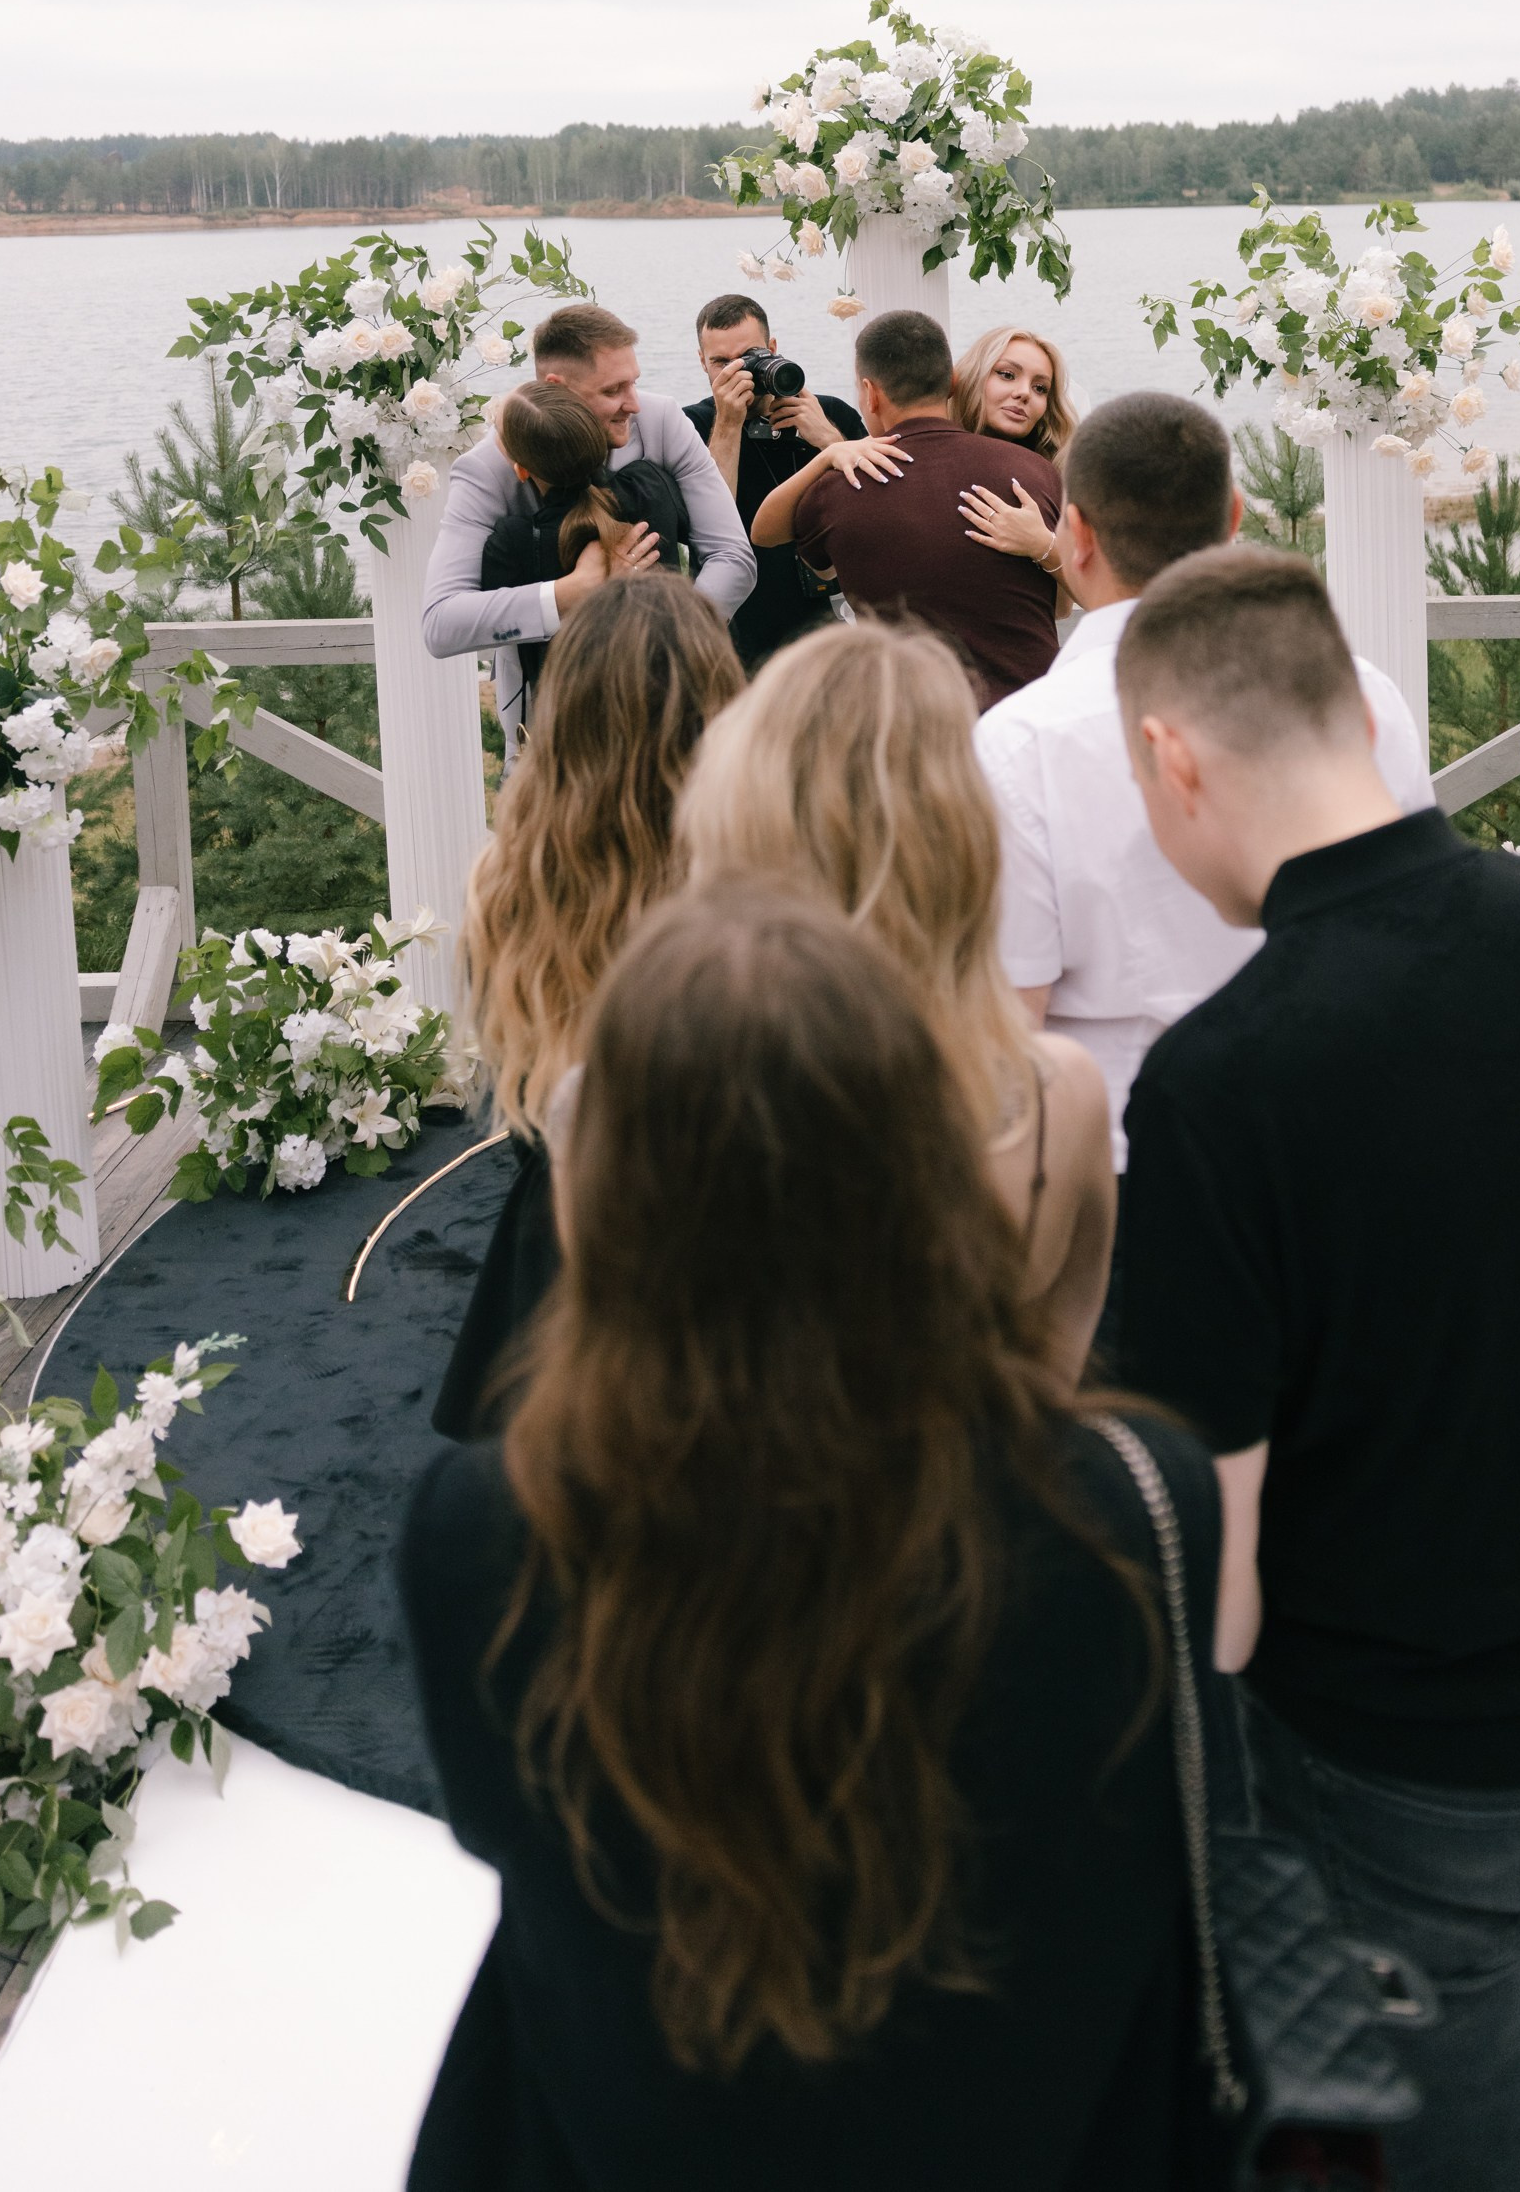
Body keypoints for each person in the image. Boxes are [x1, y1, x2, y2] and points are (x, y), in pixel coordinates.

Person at [1108, 546, 1520, 2192]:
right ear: (1353, 709)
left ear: (1171, 760)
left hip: (1418, 1776)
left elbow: (1224, 1584)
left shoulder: (1217, 1085)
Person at [401, 888, 1219, 2192]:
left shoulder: (484, 1527)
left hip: (641, 2134)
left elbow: (504, 1831)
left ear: (609, 1184)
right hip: (1038, 2134)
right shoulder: (1132, 1497)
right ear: (924, 1162)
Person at [975, 392, 1434, 1153]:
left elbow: (1009, 1025)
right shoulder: (1360, 696)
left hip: (1126, 1156)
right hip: (1337, 1133)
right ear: (1233, 517)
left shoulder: (1019, 740)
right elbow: (1409, 921)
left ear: (1077, 534)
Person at [678, 623, 1116, 1371]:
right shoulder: (1057, 1099)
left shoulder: (639, 1088)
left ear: (734, 810)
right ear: (965, 836)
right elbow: (1062, 1363)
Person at [433, 573, 744, 1439]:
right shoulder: (765, 857)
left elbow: (514, 1073)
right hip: (740, 1195)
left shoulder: (510, 874)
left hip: (564, 1215)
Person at [421, 302, 753, 745]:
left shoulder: (661, 420)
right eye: (614, 390)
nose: (632, 403)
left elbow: (733, 557)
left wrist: (667, 644)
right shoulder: (487, 469)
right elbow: (441, 624)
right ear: (557, 386)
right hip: (551, 733)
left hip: (676, 714)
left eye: (634, 382)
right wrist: (571, 594)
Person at [749, 309, 1061, 708]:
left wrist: (827, 457)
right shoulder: (1037, 474)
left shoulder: (844, 487)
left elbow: (763, 531)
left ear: (870, 392)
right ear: (952, 383)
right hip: (1028, 713)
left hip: (914, 720)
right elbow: (1062, 603)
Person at [479, 378, 688, 724]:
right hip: (664, 714)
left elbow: (480, 619)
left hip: (572, 734)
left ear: (520, 469)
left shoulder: (515, 541)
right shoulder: (650, 487)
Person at [682, 292, 866, 669]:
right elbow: (704, 524)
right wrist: (729, 425)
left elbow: (880, 508)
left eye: (749, 357)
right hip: (738, 633)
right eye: (721, 363)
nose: (740, 373)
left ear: (773, 349)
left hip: (830, 628)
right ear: (702, 363)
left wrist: (827, 439)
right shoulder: (691, 426)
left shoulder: (830, 413)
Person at [952, 324, 1077, 590]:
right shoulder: (920, 450)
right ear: (975, 375)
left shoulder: (1050, 475)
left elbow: (1064, 609)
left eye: (1040, 388)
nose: (1024, 393)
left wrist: (1042, 545)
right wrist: (838, 453)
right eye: (1007, 375)